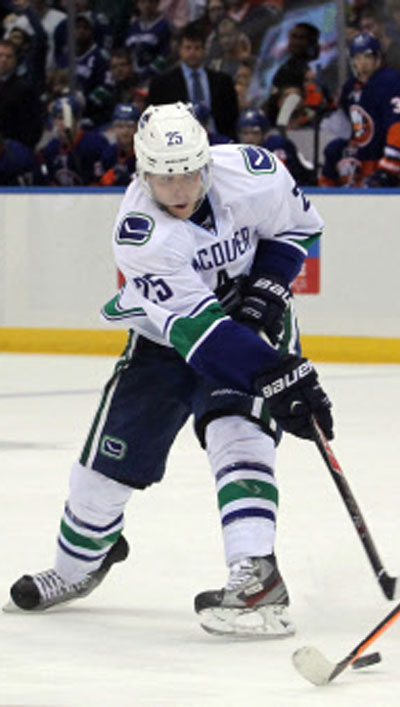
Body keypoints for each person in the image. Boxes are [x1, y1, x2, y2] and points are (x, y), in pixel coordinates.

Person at [6, 102, 333, 639]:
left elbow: (295, 231)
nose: (178, 189)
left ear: (206, 163)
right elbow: (203, 338)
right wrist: (278, 374)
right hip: (167, 339)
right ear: (143, 172)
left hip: (247, 328)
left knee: (238, 433)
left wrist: (265, 301)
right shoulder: (141, 235)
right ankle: (78, 567)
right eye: (163, 177)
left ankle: (256, 581)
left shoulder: (254, 172)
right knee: (100, 475)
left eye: (188, 174)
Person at [330, 31, 400, 188]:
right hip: (372, 163)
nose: (363, 63)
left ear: (377, 59)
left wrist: (390, 166)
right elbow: (350, 129)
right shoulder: (349, 89)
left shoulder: (390, 81)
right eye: (358, 58)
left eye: (368, 57)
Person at [148, 22, 239, 140]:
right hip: (178, 142)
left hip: (218, 140)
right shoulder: (162, 83)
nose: (192, 53)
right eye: (188, 48)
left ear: (205, 50)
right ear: (180, 50)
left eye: (197, 48)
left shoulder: (223, 81)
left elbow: (232, 117)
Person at [39, 96, 111, 185]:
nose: (63, 123)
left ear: (77, 120)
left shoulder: (96, 144)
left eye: (68, 119)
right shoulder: (51, 149)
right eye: (60, 118)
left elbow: (106, 180)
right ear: (54, 121)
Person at [236, 107, 314, 186]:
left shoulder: (277, 145)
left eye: (255, 133)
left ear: (264, 134)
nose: (250, 137)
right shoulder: (235, 153)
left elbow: (301, 173)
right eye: (245, 133)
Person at [98, 103, 140, 186]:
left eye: (130, 126)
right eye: (120, 126)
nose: (125, 132)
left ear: (137, 128)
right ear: (113, 128)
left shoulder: (145, 156)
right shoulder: (107, 154)